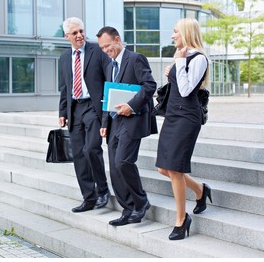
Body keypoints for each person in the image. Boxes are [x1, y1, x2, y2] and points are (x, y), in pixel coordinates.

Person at [155, 18, 212, 240]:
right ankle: (200, 190)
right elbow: (179, 85)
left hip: (187, 117)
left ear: (186, 33)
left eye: (175, 31)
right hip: (173, 116)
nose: (172, 36)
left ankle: (181, 219)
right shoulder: (182, 57)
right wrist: (174, 68)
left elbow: (188, 90)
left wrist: (178, 64)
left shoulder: (199, 58)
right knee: (163, 168)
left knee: (175, 169)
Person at [96, 26, 157, 226]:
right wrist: (104, 122)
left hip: (133, 119)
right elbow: (108, 95)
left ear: (117, 39)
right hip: (114, 121)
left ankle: (141, 202)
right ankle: (127, 209)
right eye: (102, 48)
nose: (105, 50)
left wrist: (131, 105)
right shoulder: (108, 65)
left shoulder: (136, 58)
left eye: (107, 46)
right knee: (114, 168)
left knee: (123, 162)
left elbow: (150, 85)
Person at [58, 17, 111, 213]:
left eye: (81, 31)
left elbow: (108, 79)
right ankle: (88, 198)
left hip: (92, 107)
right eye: (75, 33)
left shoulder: (97, 51)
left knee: (92, 149)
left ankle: (102, 189)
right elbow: (64, 87)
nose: (80, 35)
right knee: (79, 155)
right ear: (67, 36)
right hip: (74, 109)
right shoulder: (64, 58)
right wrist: (62, 111)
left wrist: (106, 113)